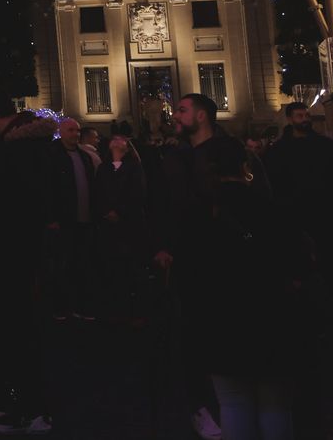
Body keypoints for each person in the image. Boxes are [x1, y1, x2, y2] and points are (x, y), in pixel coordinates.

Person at [192, 135, 313, 440]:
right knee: (276, 407)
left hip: (222, 322)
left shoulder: (202, 216)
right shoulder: (273, 208)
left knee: (233, 405)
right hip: (273, 318)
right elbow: (300, 265)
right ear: (246, 167)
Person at [152, 94, 238, 440]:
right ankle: (200, 402)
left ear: (202, 116)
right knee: (191, 330)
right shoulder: (173, 156)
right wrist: (160, 245)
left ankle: (229, 396)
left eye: (182, 110)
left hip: (225, 252)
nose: (175, 115)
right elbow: (158, 203)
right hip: (187, 255)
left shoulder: (228, 152)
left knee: (224, 324)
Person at [0, 92, 59, 435]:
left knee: (14, 333)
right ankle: (28, 406)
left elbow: (8, 204)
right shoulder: (35, 144)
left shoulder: (13, 151)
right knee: (24, 331)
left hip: (10, 255)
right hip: (28, 252)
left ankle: (19, 406)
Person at [264, 101, 333, 301]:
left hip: (324, 217)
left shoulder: (324, 146)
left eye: (306, 115)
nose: (304, 119)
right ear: (290, 119)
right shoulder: (279, 150)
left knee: (327, 263)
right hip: (294, 218)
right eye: (299, 116)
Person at [94, 132, 147, 323]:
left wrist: (120, 211)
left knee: (131, 265)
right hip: (108, 223)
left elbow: (137, 193)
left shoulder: (135, 167)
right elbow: (98, 192)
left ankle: (135, 309)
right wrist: (106, 211)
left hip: (129, 223)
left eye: (121, 139)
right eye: (114, 139)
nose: (117, 142)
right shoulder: (103, 168)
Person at [49, 116, 98, 322]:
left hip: (83, 219)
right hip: (65, 220)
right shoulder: (53, 156)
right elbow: (48, 188)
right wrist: (52, 217)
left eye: (77, 131)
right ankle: (62, 306)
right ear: (61, 131)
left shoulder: (84, 157)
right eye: (71, 131)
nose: (75, 135)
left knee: (82, 263)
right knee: (63, 264)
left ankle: (80, 305)